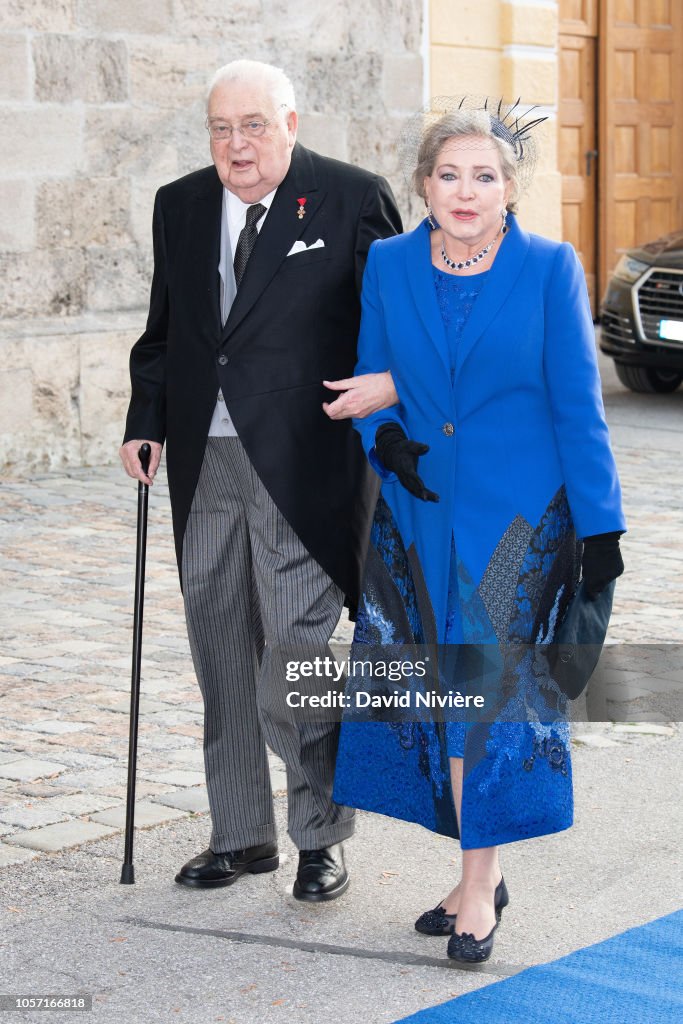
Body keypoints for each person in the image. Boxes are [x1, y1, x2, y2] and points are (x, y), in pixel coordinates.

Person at [332, 98, 626, 959]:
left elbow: (578, 406)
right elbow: (370, 376)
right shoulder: (389, 264)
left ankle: (475, 896)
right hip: (419, 516)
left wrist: (599, 528)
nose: (465, 191)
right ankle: (480, 874)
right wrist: (384, 441)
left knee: (481, 697)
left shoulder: (547, 268)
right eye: (448, 174)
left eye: (484, 176)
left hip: (517, 521)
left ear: (508, 187)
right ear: (423, 184)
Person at [120, 59, 401, 901]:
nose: (234, 145)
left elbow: (388, 323)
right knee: (220, 648)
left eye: (251, 126)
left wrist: (390, 407)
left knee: (297, 656)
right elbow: (165, 329)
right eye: (219, 128)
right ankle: (241, 834)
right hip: (201, 458)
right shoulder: (181, 204)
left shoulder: (352, 198)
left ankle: (319, 834)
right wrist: (144, 416)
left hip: (303, 459)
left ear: (289, 120)